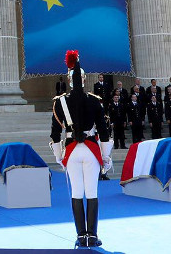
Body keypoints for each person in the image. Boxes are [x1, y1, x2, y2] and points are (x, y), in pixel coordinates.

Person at [50, 51, 112, 249]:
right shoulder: (95, 100)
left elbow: (54, 134)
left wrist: (59, 156)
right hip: (91, 150)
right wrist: (105, 156)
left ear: (69, 80)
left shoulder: (59, 102)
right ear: (84, 79)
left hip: (72, 151)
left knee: (76, 193)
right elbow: (103, 131)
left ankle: (80, 235)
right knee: (91, 192)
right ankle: (92, 235)